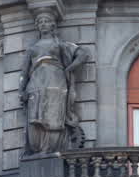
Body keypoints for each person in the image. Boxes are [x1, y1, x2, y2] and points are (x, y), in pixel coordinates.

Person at [20, 11, 88, 154]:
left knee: (54, 113)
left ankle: (51, 148)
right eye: (40, 22)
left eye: (46, 21)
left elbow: (82, 55)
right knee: (35, 116)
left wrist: (69, 68)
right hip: (36, 83)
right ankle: (38, 148)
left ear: (52, 25)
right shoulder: (32, 49)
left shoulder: (61, 45)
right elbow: (24, 73)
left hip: (56, 81)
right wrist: (22, 91)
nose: (43, 24)